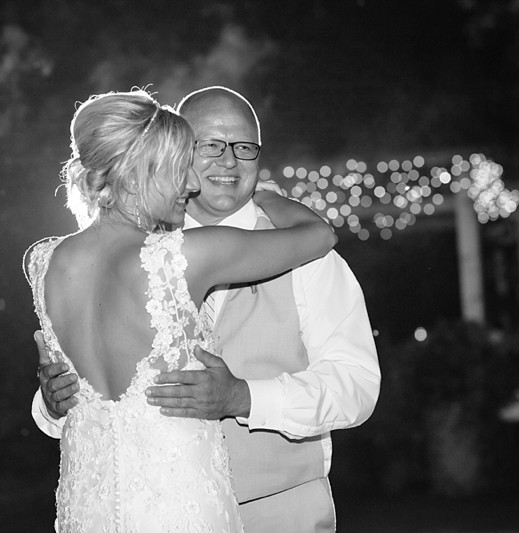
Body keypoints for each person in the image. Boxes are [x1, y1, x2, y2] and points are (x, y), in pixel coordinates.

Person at [33, 87, 380, 532]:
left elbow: (357, 386)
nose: (229, 161)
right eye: (209, 146)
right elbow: (89, 404)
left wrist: (245, 397)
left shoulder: (53, 259)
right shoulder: (156, 254)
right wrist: (51, 404)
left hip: (280, 513)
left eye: (244, 147)